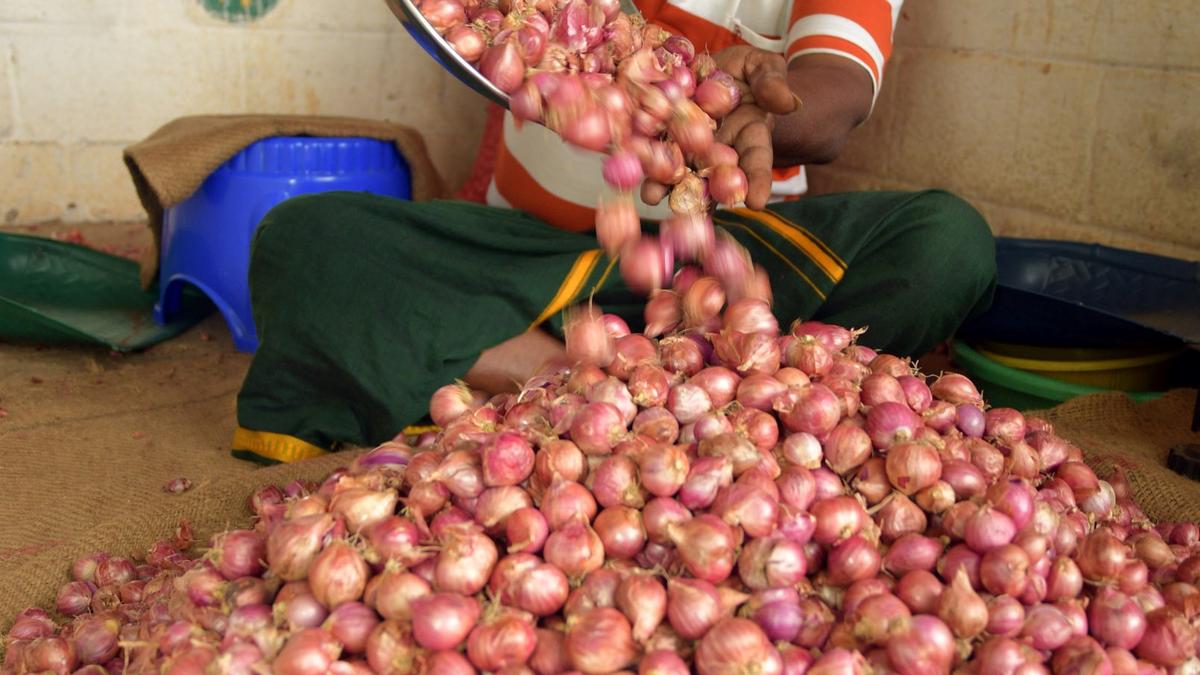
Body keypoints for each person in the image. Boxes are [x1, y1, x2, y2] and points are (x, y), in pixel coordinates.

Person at [230, 0, 996, 464]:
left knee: (945, 242)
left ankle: (580, 397)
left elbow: (840, 92)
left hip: (727, 274)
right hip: (521, 260)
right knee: (305, 239)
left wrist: (750, 107)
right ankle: (617, 393)